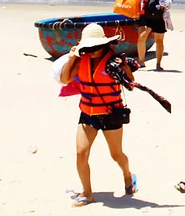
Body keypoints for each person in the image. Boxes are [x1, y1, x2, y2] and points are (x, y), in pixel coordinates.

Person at [59, 24, 137, 207]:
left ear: (103, 45)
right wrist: (72, 58)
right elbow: (64, 79)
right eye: (89, 48)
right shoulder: (81, 60)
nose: (92, 51)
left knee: (116, 154)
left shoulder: (114, 61)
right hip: (88, 114)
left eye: (95, 47)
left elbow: (131, 85)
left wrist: (125, 67)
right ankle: (87, 193)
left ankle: (127, 175)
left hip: (111, 114)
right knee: (81, 153)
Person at [136, 0, 174, 70]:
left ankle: (158, 64)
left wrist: (165, 3)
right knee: (141, 37)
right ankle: (141, 62)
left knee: (159, 40)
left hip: (159, 15)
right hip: (146, 12)